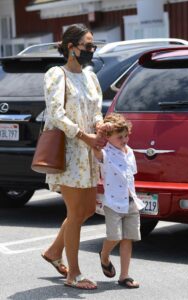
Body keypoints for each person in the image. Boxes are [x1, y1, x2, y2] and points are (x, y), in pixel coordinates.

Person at [41, 23, 105, 290]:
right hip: (69, 153)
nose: (91, 50)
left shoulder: (90, 76)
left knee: (88, 210)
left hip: (90, 152)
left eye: (93, 46)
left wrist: (100, 126)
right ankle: (74, 274)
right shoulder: (57, 74)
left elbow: (96, 108)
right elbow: (56, 114)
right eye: (87, 46)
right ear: (71, 47)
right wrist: (84, 135)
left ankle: (54, 252)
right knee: (75, 213)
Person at [93, 113, 145, 289]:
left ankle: (124, 276)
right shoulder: (105, 153)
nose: (124, 140)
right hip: (113, 202)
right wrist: (100, 134)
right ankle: (104, 255)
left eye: (126, 136)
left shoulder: (129, 151)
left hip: (131, 200)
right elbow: (96, 151)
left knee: (127, 238)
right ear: (108, 138)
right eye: (119, 137)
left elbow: (131, 176)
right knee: (114, 236)